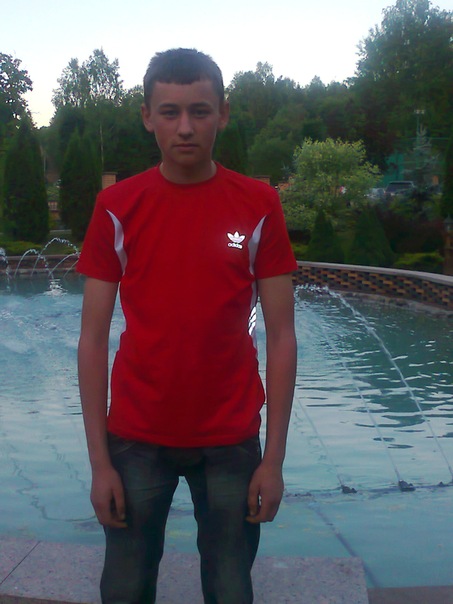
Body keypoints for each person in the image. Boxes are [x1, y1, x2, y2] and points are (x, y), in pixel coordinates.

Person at [77, 48, 297, 604]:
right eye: (169, 112)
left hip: (230, 437)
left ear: (222, 113)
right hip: (135, 435)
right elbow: (92, 340)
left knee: (230, 588)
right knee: (124, 588)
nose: (185, 127)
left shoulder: (259, 204)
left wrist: (273, 460)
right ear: (147, 116)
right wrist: (99, 462)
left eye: (199, 111)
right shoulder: (117, 206)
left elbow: (282, 336)